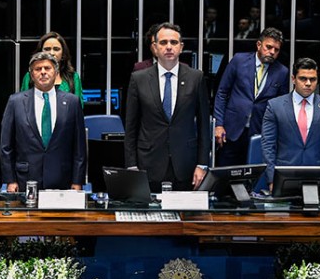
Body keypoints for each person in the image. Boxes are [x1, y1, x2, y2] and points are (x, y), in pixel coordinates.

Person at [124, 22, 210, 192]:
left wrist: (202, 164)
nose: (169, 47)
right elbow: (131, 127)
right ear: (155, 47)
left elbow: (204, 126)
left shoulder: (196, 78)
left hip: (186, 165)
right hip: (148, 164)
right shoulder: (139, 79)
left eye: (174, 42)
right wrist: (131, 166)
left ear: (181, 47)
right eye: (163, 43)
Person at [1, 52, 86, 191]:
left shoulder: (72, 102)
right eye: (38, 69)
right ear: (31, 74)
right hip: (25, 180)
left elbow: (79, 147)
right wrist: (10, 180)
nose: (43, 72)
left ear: (56, 72)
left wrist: (77, 181)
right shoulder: (15, 102)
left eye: (47, 68)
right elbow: (6, 145)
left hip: (63, 180)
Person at [213, 27, 290, 166]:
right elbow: (222, 93)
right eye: (268, 47)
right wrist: (219, 124)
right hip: (232, 129)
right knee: (225, 172)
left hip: (260, 133)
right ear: (259, 45)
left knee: (254, 173)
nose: (272, 52)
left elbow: (281, 107)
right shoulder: (239, 60)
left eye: (276, 50)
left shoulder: (282, 72)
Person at [261, 57, 320, 187]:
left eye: (313, 79)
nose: (308, 83)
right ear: (293, 79)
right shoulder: (275, 106)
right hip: (284, 176)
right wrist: (271, 179)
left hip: (319, 177)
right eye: (303, 79)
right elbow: (268, 146)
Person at [20, 32, 84, 106]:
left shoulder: (73, 77)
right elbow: (23, 104)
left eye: (56, 49)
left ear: (63, 53)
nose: (51, 53)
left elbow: (78, 106)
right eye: (47, 49)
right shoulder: (30, 76)